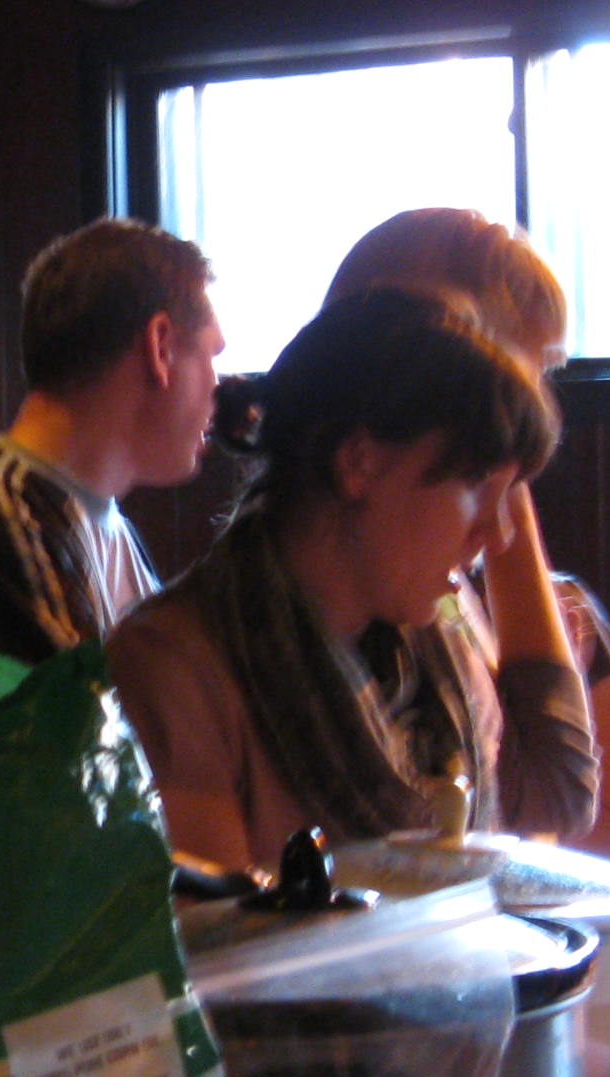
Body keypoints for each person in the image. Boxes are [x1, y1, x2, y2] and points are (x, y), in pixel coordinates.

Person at [106, 285, 559, 875]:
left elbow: (559, 803)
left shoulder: (443, 656)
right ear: (360, 463)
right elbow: (214, 930)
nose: (498, 535)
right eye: (477, 485)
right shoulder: (171, 666)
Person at [323, 207, 610, 849]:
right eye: (524, 381)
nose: (536, 410)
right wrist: (500, 474)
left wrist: (497, 475)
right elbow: (556, 792)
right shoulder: (385, 578)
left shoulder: (434, 571)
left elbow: (554, 799)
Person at [0, 216, 223, 659]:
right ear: (161, 347)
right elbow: (98, 705)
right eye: (212, 356)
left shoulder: (104, 523)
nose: (218, 387)